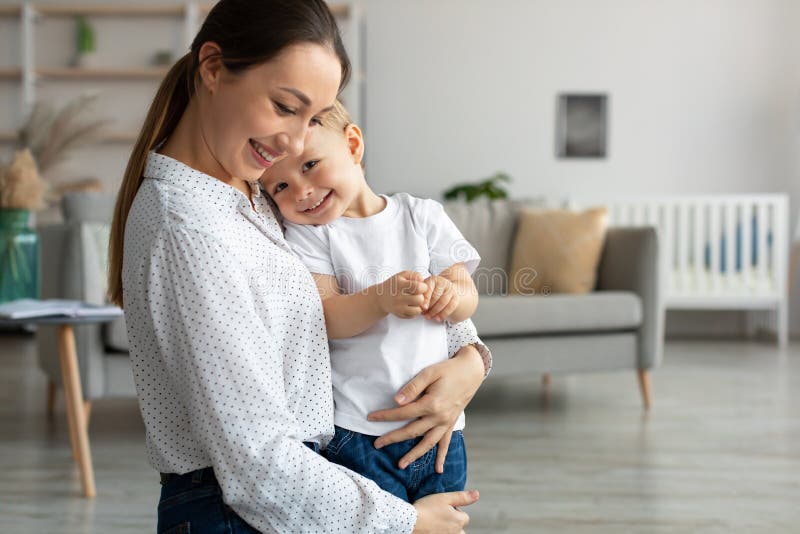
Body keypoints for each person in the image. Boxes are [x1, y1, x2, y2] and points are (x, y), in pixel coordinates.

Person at [107, 1, 490, 532]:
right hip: (243, 512)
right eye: (285, 107)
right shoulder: (188, 230)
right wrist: (402, 521)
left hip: (300, 495)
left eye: (312, 119)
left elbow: (400, 276)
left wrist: (469, 361)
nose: (292, 144)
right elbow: (256, 462)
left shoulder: (252, 194)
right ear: (213, 68)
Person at [261, 100, 481, 503]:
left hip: (441, 428)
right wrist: (381, 298)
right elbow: (327, 317)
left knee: (442, 522)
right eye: (280, 187)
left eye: (309, 165)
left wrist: (453, 294)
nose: (302, 190)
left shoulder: (421, 216)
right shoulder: (311, 235)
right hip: (359, 432)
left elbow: (466, 294)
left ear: (353, 144)